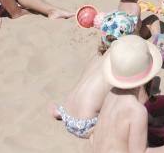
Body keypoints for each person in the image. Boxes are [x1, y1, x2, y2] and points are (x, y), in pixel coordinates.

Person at [50, 11, 137, 139]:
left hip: (67, 113)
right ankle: (95, 134)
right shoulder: (119, 62)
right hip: (87, 124)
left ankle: (59, 113)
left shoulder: (96, 57)